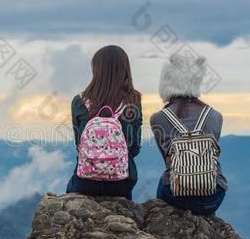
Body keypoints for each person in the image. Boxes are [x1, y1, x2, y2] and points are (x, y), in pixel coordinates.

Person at [150, 54, 228, 215]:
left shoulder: (158, 118)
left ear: (166, 82)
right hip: (213, 197)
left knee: (166, 178)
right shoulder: (215, 116)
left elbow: (168, 160)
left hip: (176, 194)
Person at [66, 45, 142, 201]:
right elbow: (134, 149)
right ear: (125, 69)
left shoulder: (79, 101)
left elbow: (79, 146)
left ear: (96, 70)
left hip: (86, 181)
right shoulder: (133, 101)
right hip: (122, 183)